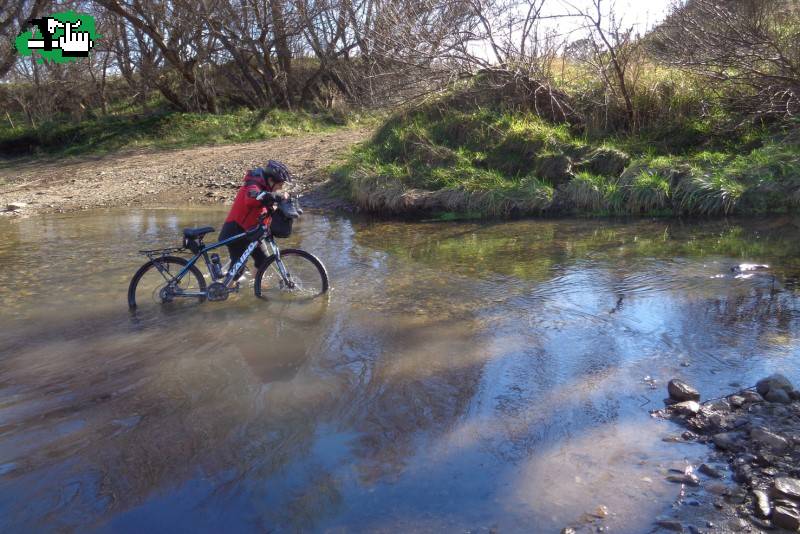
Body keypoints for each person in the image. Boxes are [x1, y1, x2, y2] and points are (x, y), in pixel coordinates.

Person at [218, 160, 291, 277]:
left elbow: (265, 206)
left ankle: (258, 286)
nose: (280, 188)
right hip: (236, 230)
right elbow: (252, 198)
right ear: (271, 180)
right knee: (238, 270)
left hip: (253, 231)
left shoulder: (266, 186)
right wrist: (276, 196)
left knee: (263, 261)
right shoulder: (253, 184)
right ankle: (222, 293)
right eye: (280, 185)